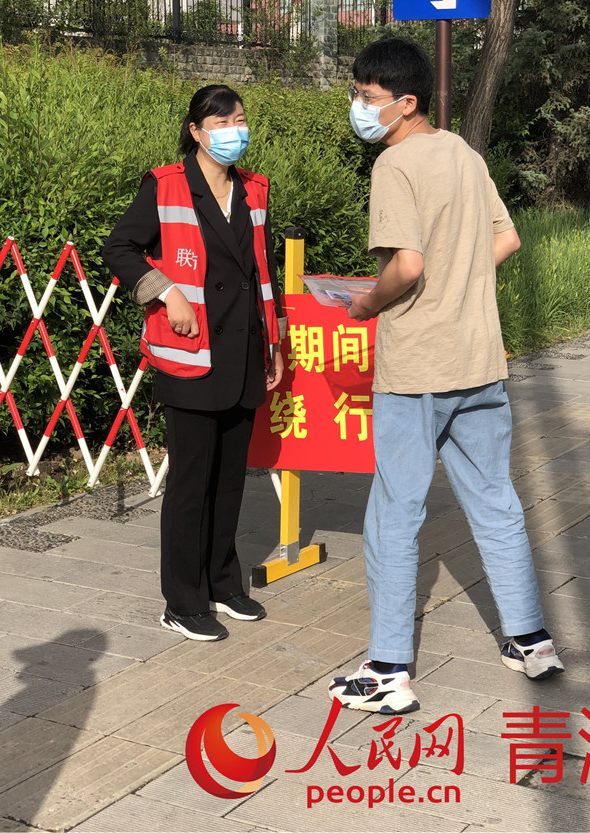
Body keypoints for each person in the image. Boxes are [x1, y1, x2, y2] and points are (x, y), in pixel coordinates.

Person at [328, 38, 563, 715]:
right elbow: (506, 237)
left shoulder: (395, 164)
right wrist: (461, 279)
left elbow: (406, 266)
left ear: (406, 102)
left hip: (417, 367)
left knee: (394, 511)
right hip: (479, 358)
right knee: (494, 499)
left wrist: (365, 304)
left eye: (367, 97)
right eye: (357, 94)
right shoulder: (462, 152)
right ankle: (531, 640)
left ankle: (388, 669)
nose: (358, 106)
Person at [102, 84, 285, 643]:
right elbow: (119, 249)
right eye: (221, 122)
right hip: (191, 352)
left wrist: (274, 342)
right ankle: (182, 601)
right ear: (196, 131)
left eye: (240, 119)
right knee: (190, 483)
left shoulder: (254, 189)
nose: (234, 130)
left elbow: (264, 269)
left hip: (244, 350)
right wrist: (166, 291)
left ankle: (223, 583)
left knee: (230, 480)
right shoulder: (165, 185)